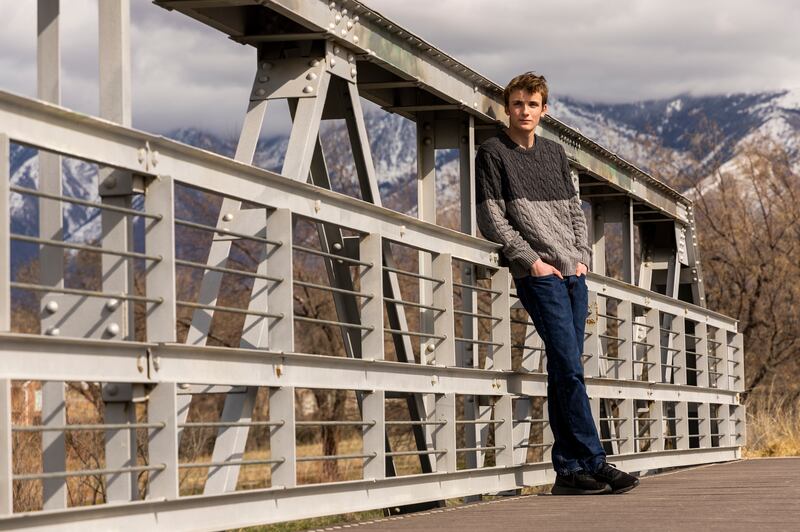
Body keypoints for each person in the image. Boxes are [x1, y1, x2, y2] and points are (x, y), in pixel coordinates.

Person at [475, 72, 639, 495]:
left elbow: (573, 211)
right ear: (506, 108)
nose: (524, 111)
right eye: (516, 104)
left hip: (572, 273)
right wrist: (530, 261)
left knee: (566, 368)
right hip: (540, 274)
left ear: (544, 110)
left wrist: (582, 258)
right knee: (568, 364)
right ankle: (595, 461)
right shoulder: (493, 153)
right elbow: (492, 217)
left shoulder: (555, 153)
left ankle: (568, 472)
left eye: (532, 105)